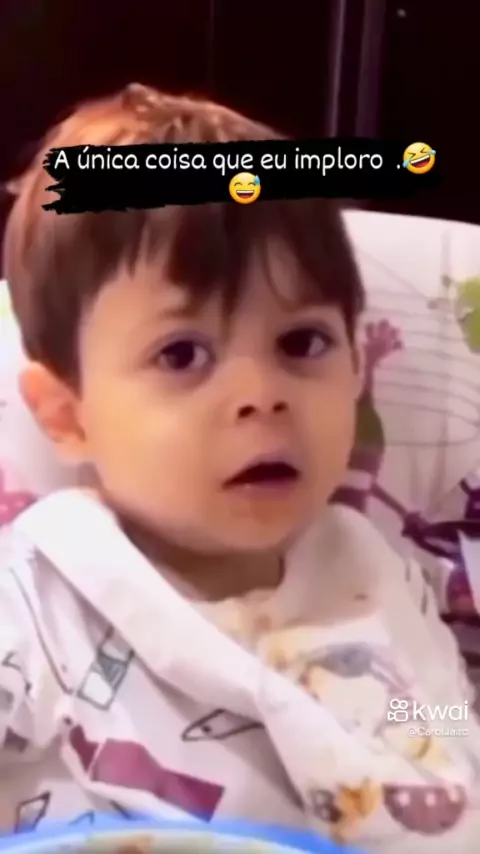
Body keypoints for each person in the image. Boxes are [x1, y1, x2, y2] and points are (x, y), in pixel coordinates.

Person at [0, 83, 479, 851]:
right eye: (182, 354)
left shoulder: (371, 573)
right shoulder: (42, 588)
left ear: (357, 369)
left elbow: (438, 722)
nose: (262, 395)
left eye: (302, 343)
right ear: (67, 415)